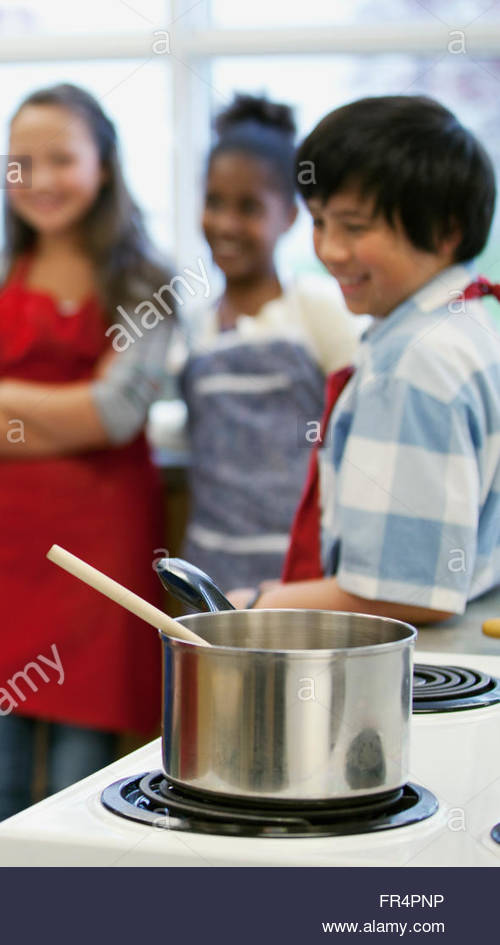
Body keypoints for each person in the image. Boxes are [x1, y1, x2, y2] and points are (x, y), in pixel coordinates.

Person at [0, 83, 174, 847]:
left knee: (80, 799)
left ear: (104, 164)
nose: (41, 179)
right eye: (21, 163)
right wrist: (66, 412)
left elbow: (117, 413)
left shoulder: (147, 282)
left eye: (62, 158)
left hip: (102, 560)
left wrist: (3, 396)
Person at [230, 95, 500, 623]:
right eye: (319, 221)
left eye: (355, 227)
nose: (329, 250)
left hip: (408, 664)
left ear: (445, 230)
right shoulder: (463, 324)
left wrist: (257, 604)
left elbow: (406, 591)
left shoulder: (412, 364)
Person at [177, 93, 361, 591]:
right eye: (214, 202)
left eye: (249, 207)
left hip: (303, 576)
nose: (226, 224)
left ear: (291, 216)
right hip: (210, 573)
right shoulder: (192, 327)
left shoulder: (320, 313)